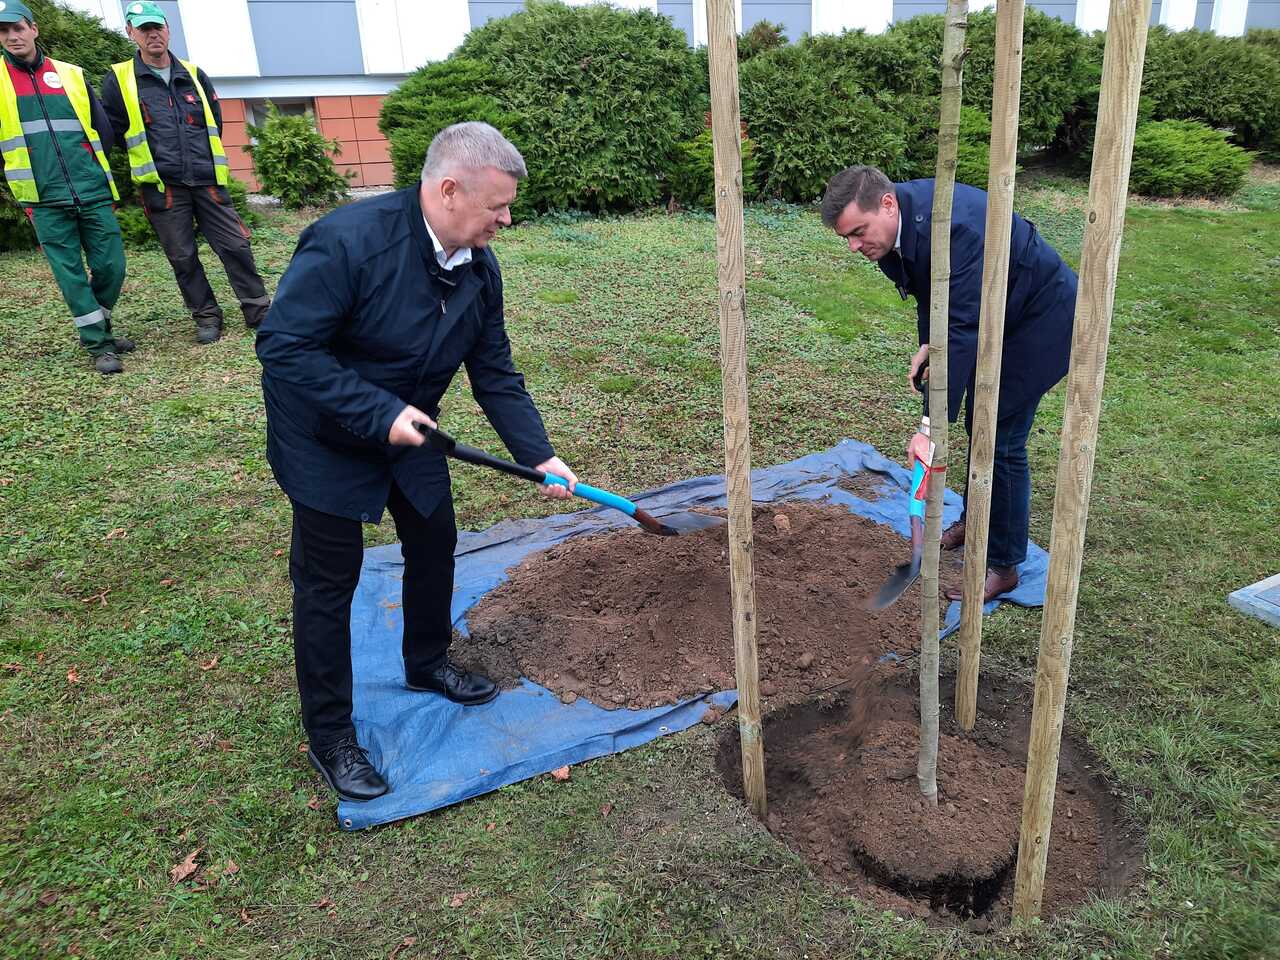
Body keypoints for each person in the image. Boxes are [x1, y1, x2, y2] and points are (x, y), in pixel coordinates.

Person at [256, 122, 578, 802]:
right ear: (449, 189)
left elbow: (494, 371)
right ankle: (331, 733)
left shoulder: (477, 270)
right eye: (497, 206)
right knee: (328, 583)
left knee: (434, 540)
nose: (506, 218)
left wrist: (540, 455)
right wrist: (378, 413)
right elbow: (284, 346)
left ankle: (427, 662)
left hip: (412, 432)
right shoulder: (349, 243)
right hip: (323, 438)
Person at [821, 165, 1077, 602]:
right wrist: (927, 343)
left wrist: (927, 430)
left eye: (859, 232)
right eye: (847, 237)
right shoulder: (897, 229)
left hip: (1039, 319)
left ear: (887, 204)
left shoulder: (956, 229)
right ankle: (977, 519)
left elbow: (962, 328)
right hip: (990, 316)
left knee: (999, 436)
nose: (854, 246)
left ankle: (1004, 562)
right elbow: (930, 289)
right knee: (980, 426)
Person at [100, 0, 270, 345]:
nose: (153, 35)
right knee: (182, 255)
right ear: (131, 33)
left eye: (157, 27)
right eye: (144, 29)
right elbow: (115, 131)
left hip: (206, 181)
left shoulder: (193, 74)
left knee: (236, 245)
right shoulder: (119, 79)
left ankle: (259, 309)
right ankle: (207, 316)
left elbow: (214, 123)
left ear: (168, 30)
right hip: (163, 187)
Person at [0, 0, 131, 375]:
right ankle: (98, 344)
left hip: (91, 189)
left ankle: (99, 325)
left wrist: (96, 175)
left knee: (112, 266)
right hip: (43, 198)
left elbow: (101, 131)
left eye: (17, 28)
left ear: (34, 29)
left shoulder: (71, 74)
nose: (12, 36)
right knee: (70, 274)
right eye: (4, 31)